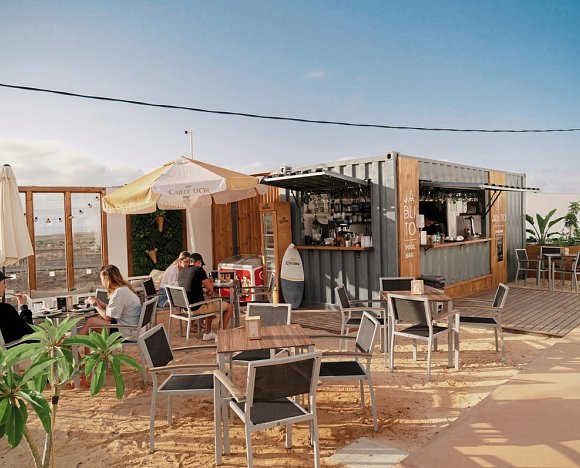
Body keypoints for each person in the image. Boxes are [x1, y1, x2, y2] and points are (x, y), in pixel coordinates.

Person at [178, 253, 233, 341]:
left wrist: (206, 291)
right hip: (197, 307)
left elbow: (191, 288)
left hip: (186, 307)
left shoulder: (182, 271)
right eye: (201, 264)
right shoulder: (199, 270)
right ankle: (220, 334)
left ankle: (208, 333)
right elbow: (211, 288)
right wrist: (210, 282)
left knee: (210, 303)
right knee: (229, 307)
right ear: (199, 262)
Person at [79, 265, 141, 338]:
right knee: (95, 321)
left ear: (107, 278)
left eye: (101, 279)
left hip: (126, 331)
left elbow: (108, 317)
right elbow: (116, 309)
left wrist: (94, 304)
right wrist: (101, 304)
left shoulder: (119, 292)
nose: (101, 282)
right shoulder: (125, 289)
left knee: (91, 322)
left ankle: (73, 343)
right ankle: (78, 342)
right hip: (131, 327)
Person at [0, 271, 33, 345]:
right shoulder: (5, 309)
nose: (5, 286)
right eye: (3, 283)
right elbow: (28, 331)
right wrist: (23, 306)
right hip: (16, 350)